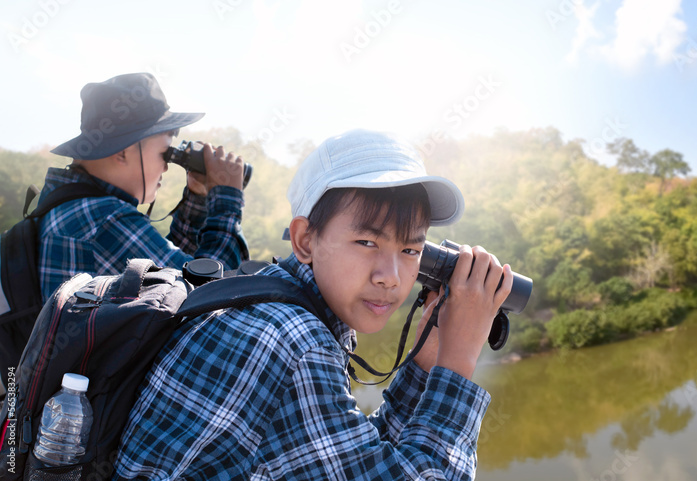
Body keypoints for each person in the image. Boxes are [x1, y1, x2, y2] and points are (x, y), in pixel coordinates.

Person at [114, 129, 512, 480]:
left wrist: (428, 357)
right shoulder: (293, 339)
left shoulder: (270, 303)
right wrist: (457, 362)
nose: (390, 276)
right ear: (305, 240)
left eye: (411, 249)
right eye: (367, 242)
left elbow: (357, 461)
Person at [39, 72, 248, 298]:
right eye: (165, 153)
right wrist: (227, 197)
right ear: (123, 152)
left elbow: (164, 274)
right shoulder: (104, 218)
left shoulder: (72, 205)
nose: (166, 167)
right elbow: (206, 294)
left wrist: (197, 198)